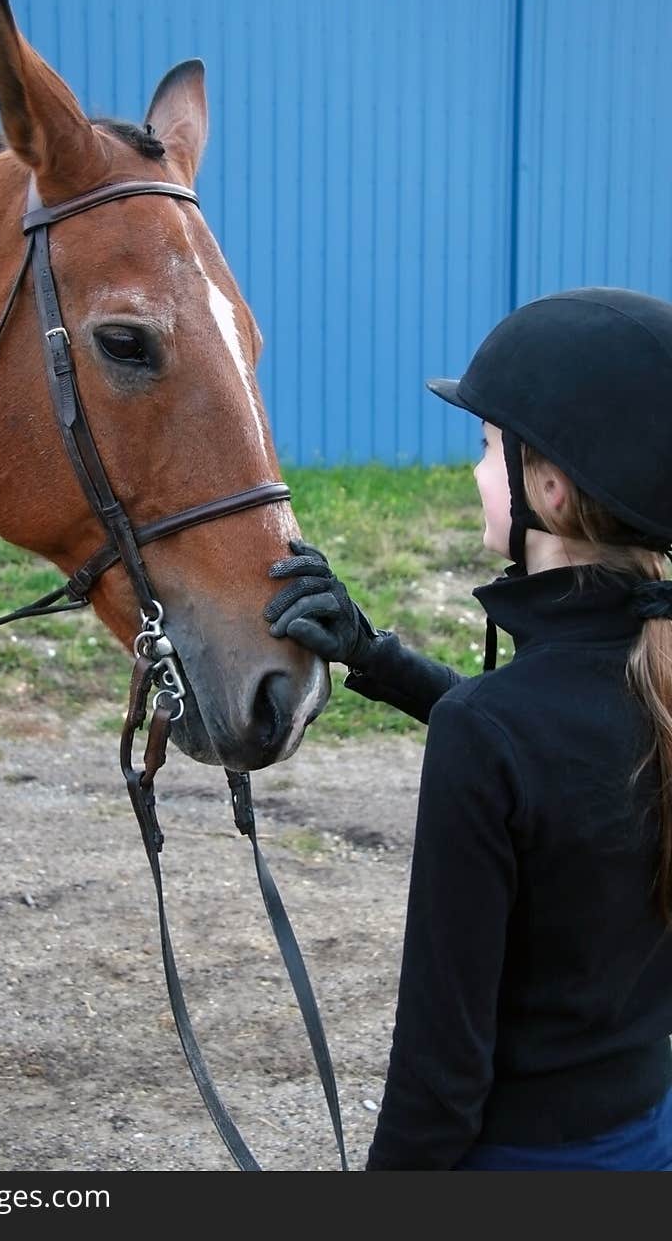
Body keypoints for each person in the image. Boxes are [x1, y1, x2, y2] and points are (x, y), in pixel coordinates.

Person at [264, 286, 672, 1170]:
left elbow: (439, 1077)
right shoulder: (645, 680)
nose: (476, 471)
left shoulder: (491, 735)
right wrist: (376, 655)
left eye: (490, 447)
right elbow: (563, 764)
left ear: (551, 490)